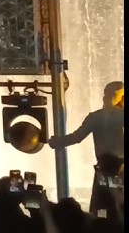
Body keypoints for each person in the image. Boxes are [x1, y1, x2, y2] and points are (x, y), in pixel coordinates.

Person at [50, 80, 124, 216]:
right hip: (121, 168)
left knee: (100, 206)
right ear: (120, 97)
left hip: (103, 167)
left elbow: (76, 137)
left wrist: (57, 142)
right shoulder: (121, 115)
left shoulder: (95, 117)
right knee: (119, 205)